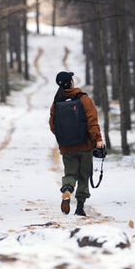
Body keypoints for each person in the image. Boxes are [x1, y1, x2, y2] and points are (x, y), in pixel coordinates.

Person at [48, 71, 105, 216]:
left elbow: (53, 125)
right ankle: (80, 206)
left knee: (70, 173)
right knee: (84, 175)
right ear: (71, 82)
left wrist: (65, 138)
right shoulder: (84, 99)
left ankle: (67, 190)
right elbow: (92, 121)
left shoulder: (57, 102)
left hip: (67, 147)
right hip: (85, 145)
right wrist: (97, 139)